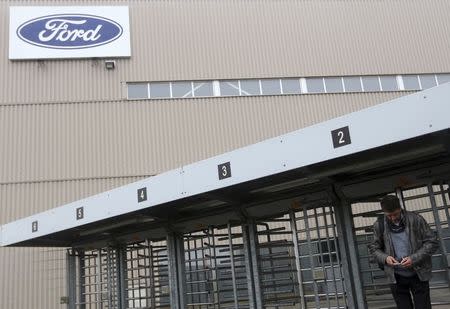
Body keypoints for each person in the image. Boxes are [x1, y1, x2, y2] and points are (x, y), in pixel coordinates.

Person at [369, 195, 439, 309]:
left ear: (400, 208)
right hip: (395, 276)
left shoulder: (416, 219)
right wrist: (385, 258)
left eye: (395, 214)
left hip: (418, 273)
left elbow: (432, 242)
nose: (392, 218)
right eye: (389, 215)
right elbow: (374, 248)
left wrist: (413, 259)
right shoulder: (379, 224)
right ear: (384, 212)